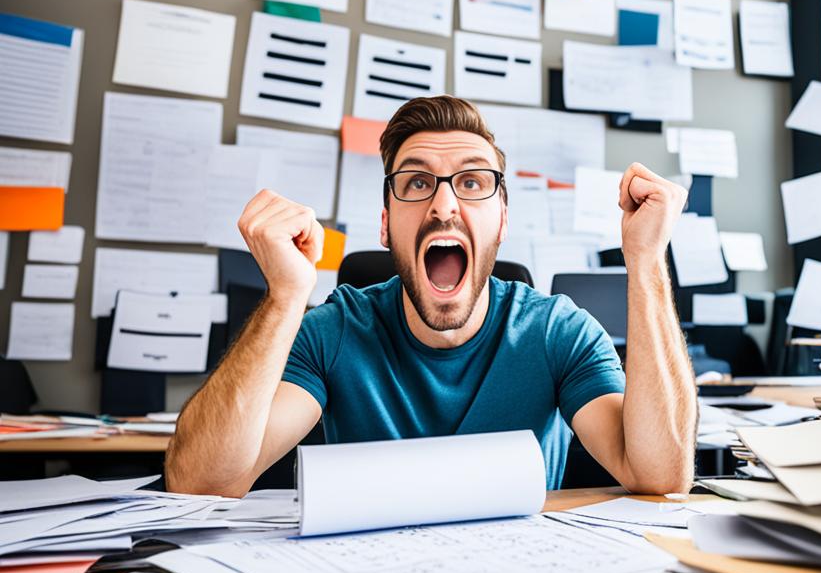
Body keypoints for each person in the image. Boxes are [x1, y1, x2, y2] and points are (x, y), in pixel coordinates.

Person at [166, 96, 697, 497]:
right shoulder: (333, 332)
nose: (444, 206)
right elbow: (199, 485)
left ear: (503, 220)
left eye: (471, 183)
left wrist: (647, 262)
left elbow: (661, 476)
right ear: (385, 224)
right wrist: (284, 296)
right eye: (417, 183)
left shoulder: (559, 332)